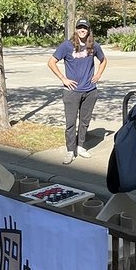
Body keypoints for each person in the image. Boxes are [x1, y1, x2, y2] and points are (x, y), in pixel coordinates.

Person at [47, 19, 107, 164]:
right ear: (76, 29)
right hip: (72, 92)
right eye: (80, 27)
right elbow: (51, 62)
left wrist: (98, 74)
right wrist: (63, 79)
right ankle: (70, 150)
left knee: (84, 121)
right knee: (71, 123)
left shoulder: (94, 45)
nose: (82, 30)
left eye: (84, 28)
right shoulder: (67, 46)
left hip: (90, 91)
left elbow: (104, 60)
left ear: (88, 30)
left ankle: (80, 146)